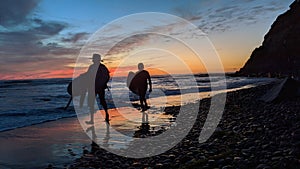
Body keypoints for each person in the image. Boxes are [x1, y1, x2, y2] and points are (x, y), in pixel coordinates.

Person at [86, 54, 110, 124]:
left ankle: (106, 115)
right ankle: (92, 119)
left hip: (99, 87)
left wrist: (103, 83)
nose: (93, 60)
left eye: (94, 59)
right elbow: (88, 76)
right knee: (93, 102)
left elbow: (107, 77)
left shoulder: (102, 67)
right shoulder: (92, 67)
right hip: (94, 87)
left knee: (101, 101)